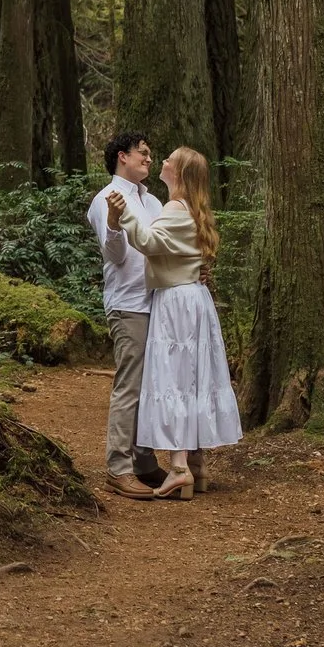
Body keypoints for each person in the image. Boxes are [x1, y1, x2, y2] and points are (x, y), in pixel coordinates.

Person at [105, 146, 239, 500]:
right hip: (192, 299)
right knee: (193, 378)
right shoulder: (192, 209)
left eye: (169, 159)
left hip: (176, 302)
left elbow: (150, 243)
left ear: (178, 173)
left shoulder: (173, 208)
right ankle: (197, 466)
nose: (160, 161)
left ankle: (180, 469)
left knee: (174, 380)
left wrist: (123, 217)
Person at [88, 133, 164, 501]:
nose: (149, 159)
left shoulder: (153, 201)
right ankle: (118, 468)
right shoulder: (106, 199)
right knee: (131, 385)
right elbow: (114, 255)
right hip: (129, 303)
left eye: (150, 154)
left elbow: (167, 248)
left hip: (159, 301)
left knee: (153, 386)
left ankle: (144, 461)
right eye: (143, 154)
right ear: (123, 157)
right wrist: (116, 222)